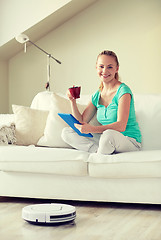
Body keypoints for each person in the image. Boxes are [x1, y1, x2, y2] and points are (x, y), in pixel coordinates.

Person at [61, 50, 141, 155]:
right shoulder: (97, 95)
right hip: (106, 139)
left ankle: (101, 154)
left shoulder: (123, 91)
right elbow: (81, 121)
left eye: (110, 67)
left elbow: (121, 126)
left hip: (128, 141)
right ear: (96, 68)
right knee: (67, 132)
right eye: (101, 66)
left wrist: (93, 129)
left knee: (108, 135)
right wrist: (72, 101)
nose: (105, 71)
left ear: (116, 69)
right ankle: (98, 152)